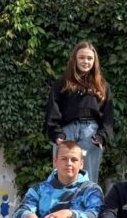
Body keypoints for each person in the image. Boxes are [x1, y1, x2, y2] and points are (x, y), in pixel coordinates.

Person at [45, 41, 114, 185]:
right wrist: (56, 134)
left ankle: (87, 200)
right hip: (66, 133)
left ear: (94, 61)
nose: (85, 61)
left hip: (91, 134)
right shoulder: (62, 83)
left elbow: (108, 116)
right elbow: (53, 109)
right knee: (61, 176)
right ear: (74, 59)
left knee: (88, 179)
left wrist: (102, 136)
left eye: (89, 58)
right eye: (81, 57)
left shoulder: (102, 85)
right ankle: (60, 200)